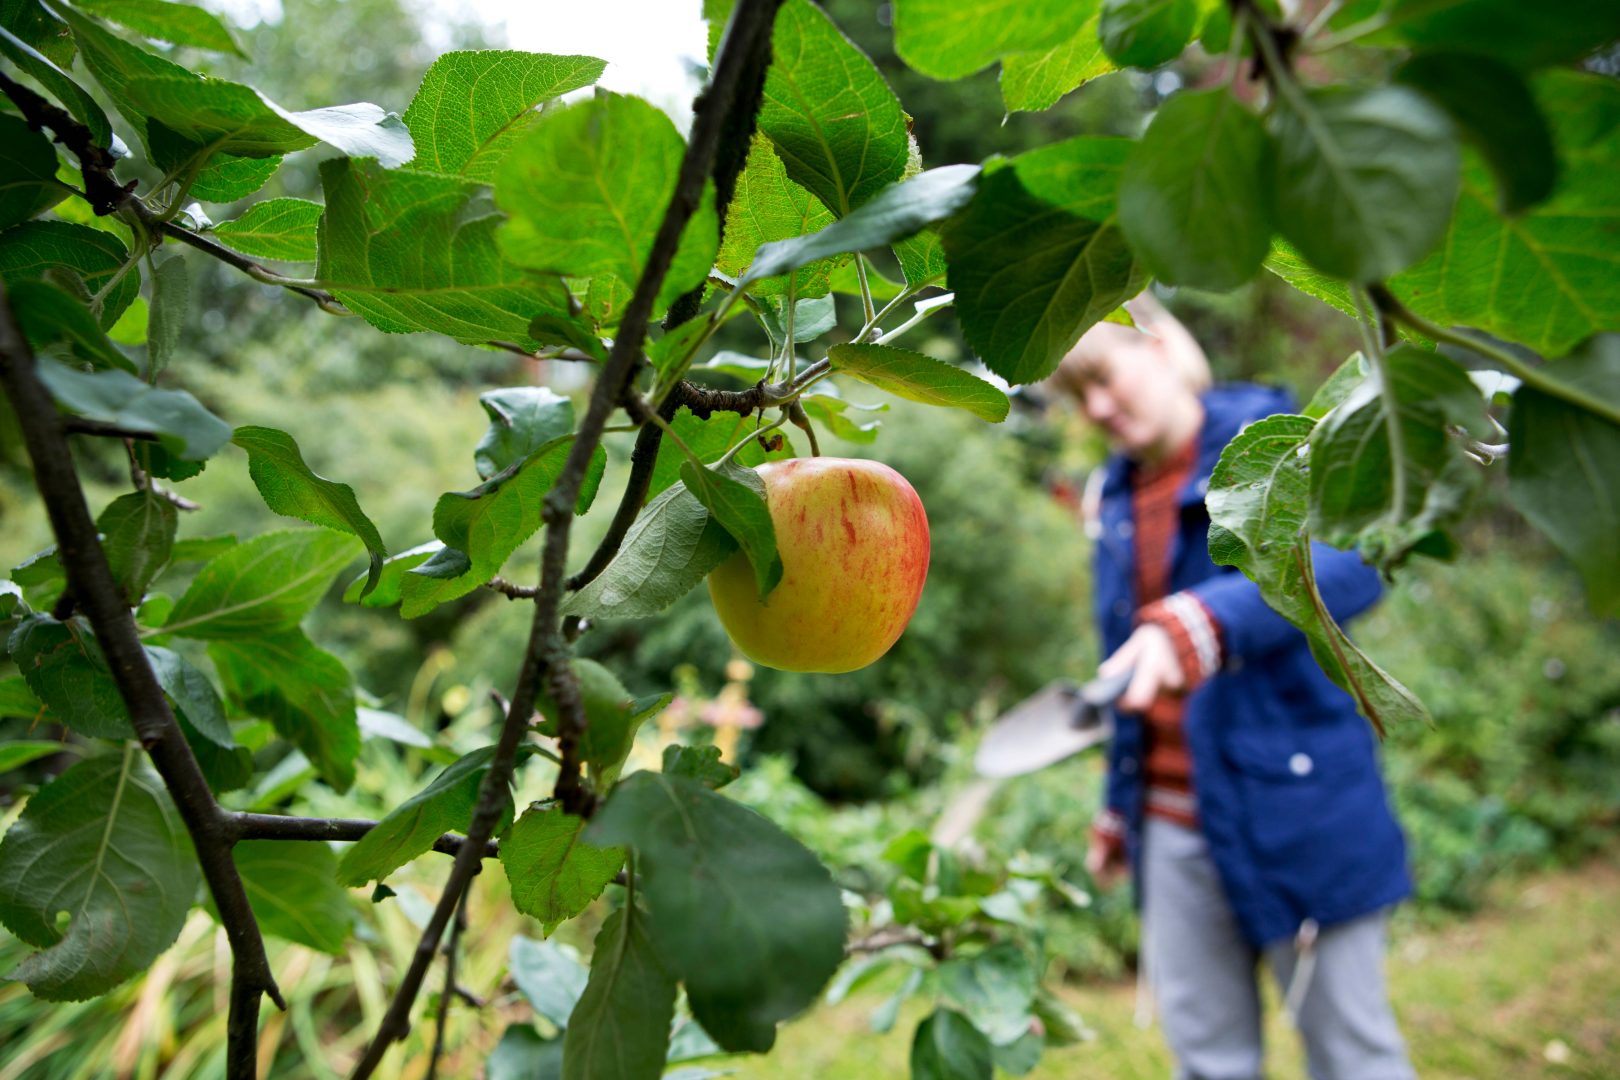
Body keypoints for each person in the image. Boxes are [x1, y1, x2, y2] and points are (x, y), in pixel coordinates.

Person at [1048, 293, 1416, 1080]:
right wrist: (1120, 805)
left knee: (1353, 1057)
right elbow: (1129, 664)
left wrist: (1207, 621)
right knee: (1209, 1062)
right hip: (1172, 828)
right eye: (1080, 396)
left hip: (1298, 809)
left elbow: (1356, 559)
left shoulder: (1277, 444)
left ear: (1158, 346)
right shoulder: (1114, 499)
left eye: (1104, 378)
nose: (1098, 408)